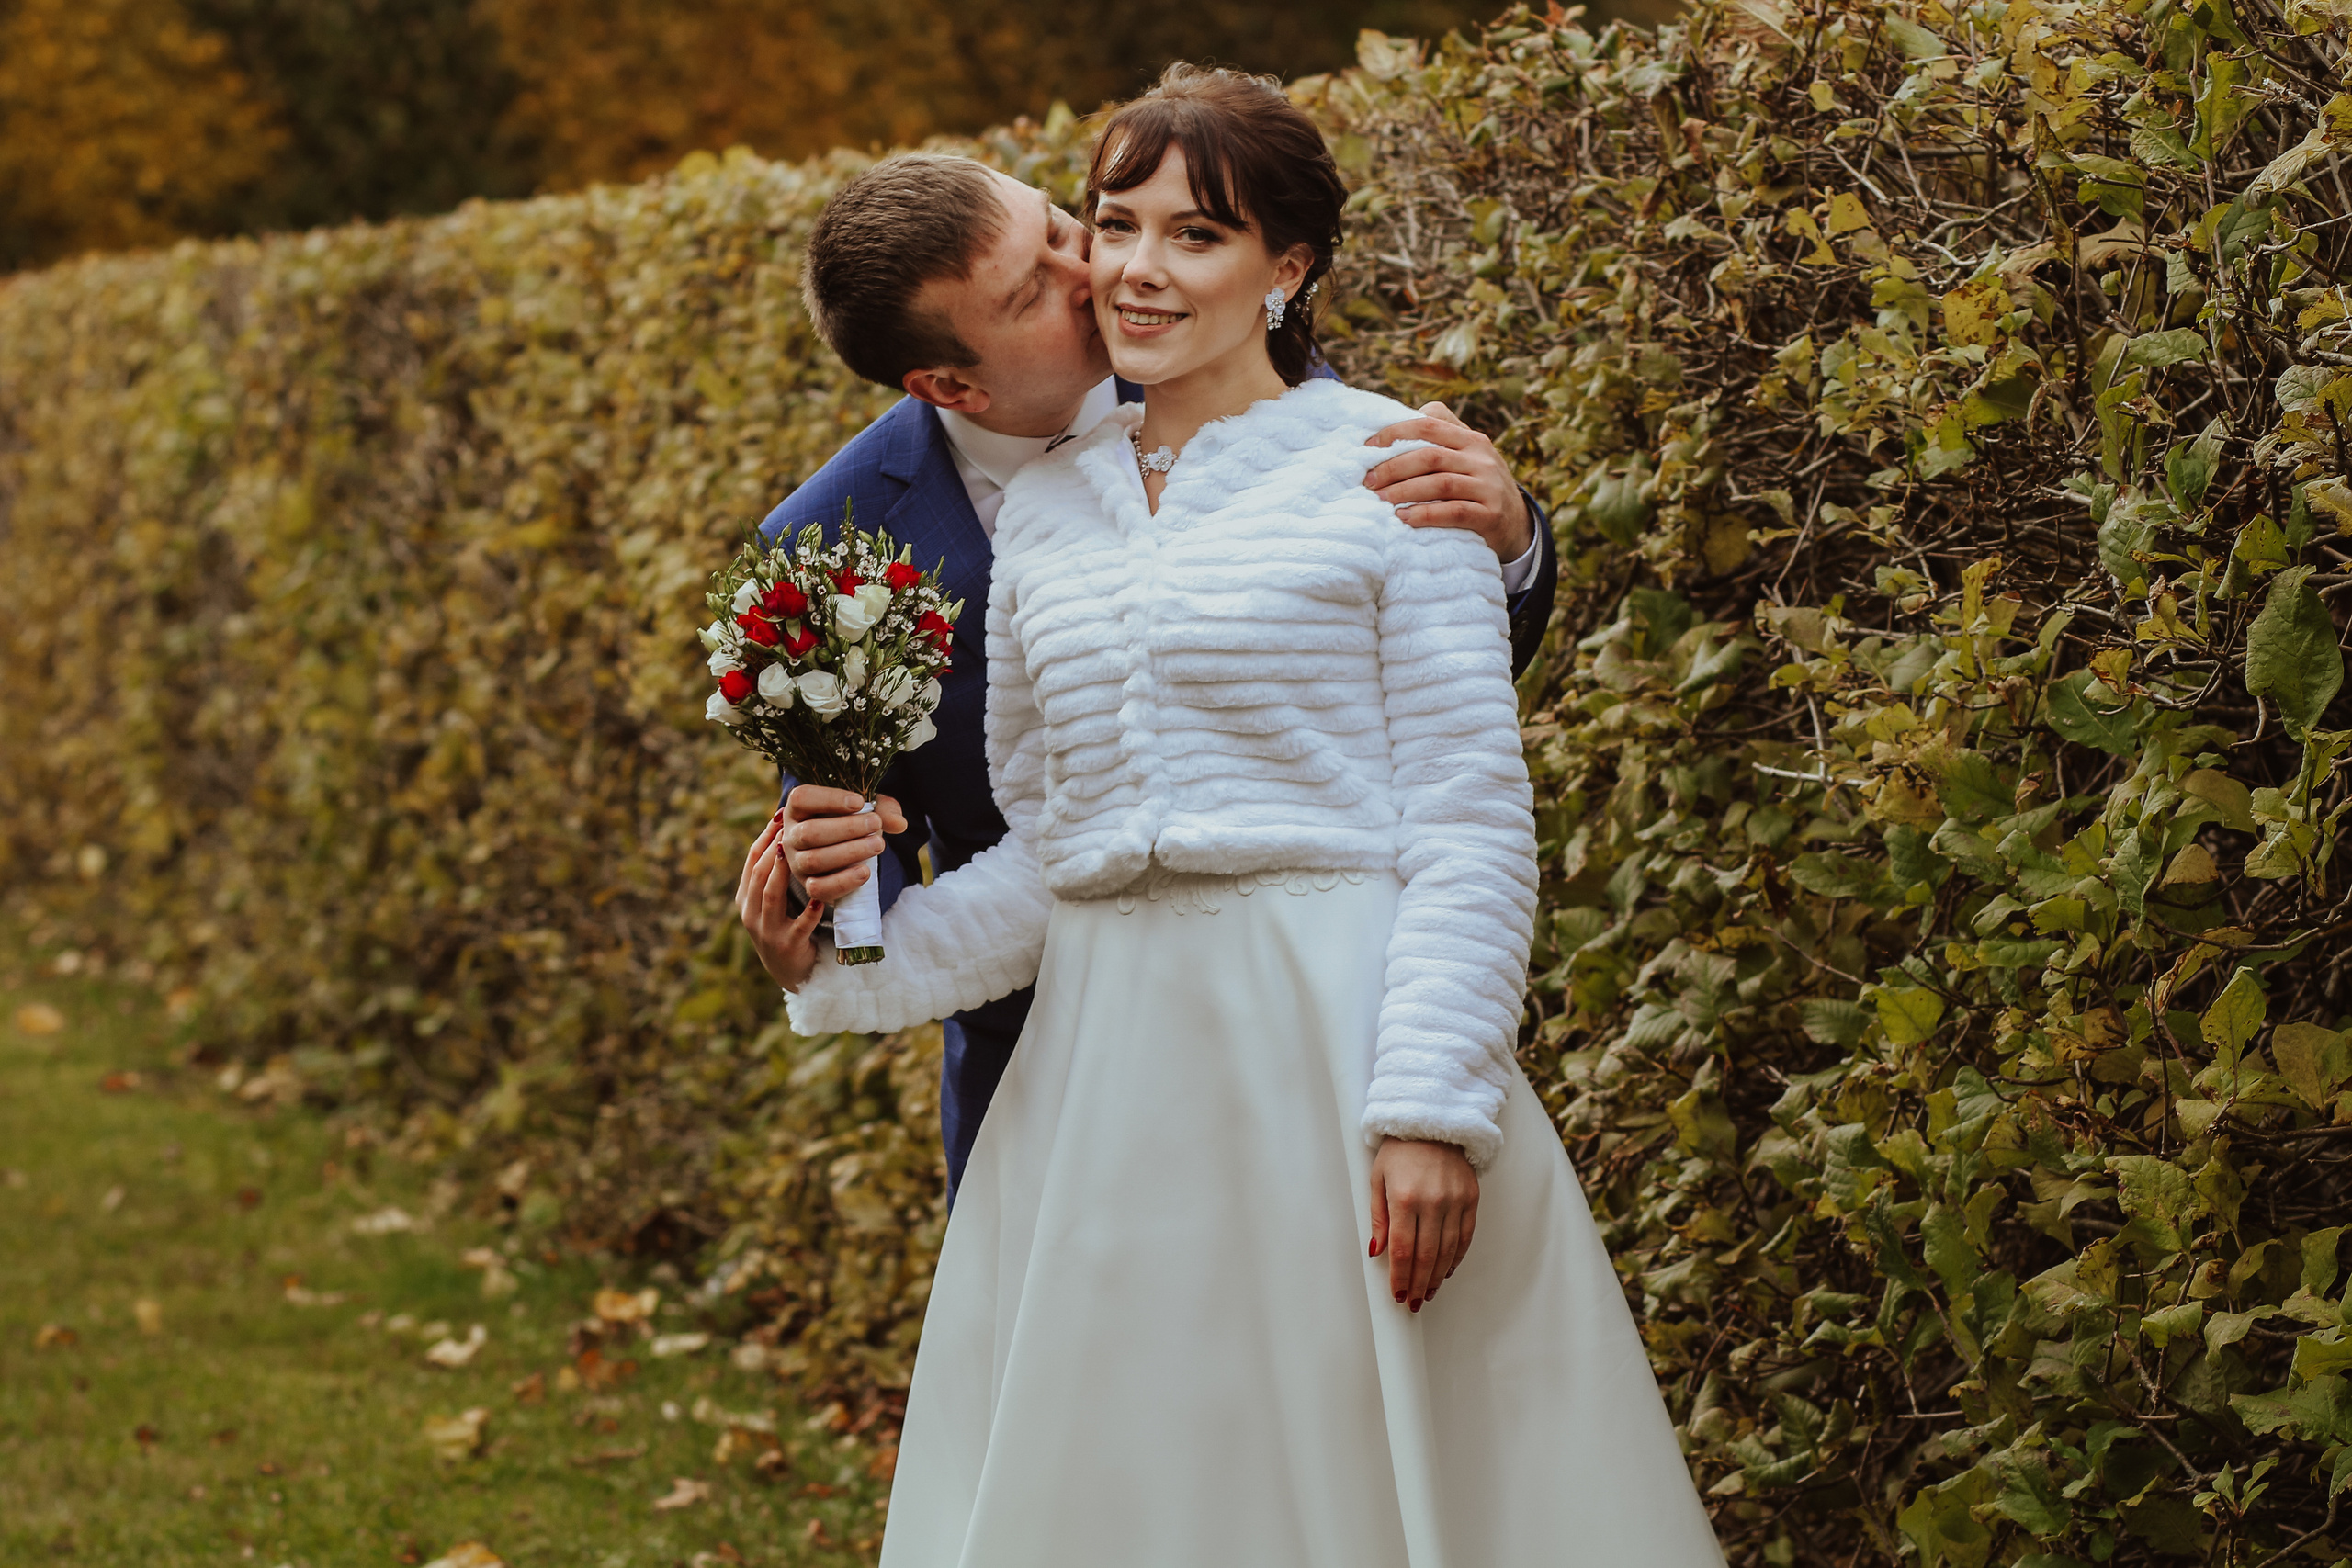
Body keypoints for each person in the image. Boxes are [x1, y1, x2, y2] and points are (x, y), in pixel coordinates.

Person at [757, 64, 1724, 1568]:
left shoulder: (1397, 466)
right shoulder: (1022, 525)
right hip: (1094, 1086)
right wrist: (833, 955)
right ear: (946, 375)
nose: (1122, 269)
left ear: (1288, 269)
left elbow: (1469, 816)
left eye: (1189, 234)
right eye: (1106, 227)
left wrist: (1429, 1111)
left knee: (1370, 1474)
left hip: (1334, 1049)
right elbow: (1051, 859)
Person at [734, 144, 1559, 1199]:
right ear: (948, 383)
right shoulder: (828, 543)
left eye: (1063, 228)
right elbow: (849, 826)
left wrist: (1510, 539)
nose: (1099, 272)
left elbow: (1403, 690)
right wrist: (817, 930)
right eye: (1036, 287)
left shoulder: (1226, 361)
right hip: (1050, 1047)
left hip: (1323, 1019)